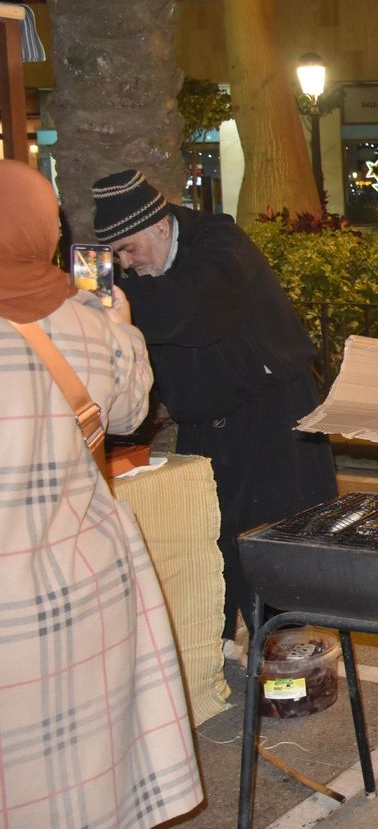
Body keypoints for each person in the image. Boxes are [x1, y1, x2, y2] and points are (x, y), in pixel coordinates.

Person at [0, 161, 203, 827]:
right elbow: (128, 414)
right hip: (81, 582)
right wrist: (121, 323)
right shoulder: (87, 325)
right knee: (82, 775)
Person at [91, 169, 339, 656]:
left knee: (272, 538)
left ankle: (284, 656)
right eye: (115, 254)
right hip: (204, 421)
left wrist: (106, 304)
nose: (125, 263)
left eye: (129, 250)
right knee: (209, 537)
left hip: (270, 412)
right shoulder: (129, 276)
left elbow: (193, 309)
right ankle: (215, 645)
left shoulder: (221, 243)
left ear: (160, 225)